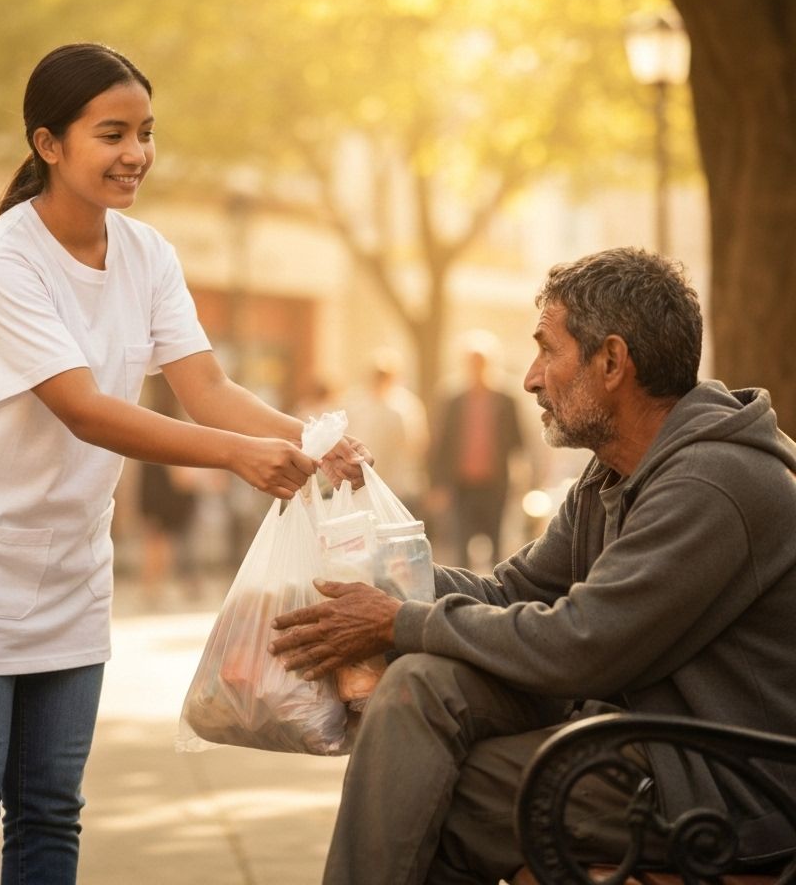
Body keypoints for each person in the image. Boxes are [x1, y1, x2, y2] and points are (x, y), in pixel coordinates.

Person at [0, 42, 369, 885]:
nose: (136, 153)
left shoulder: (146, 254)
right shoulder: (2, 261)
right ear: (48, 144)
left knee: (51, 808)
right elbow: (85, 409)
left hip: (71, 569)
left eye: (145, 132)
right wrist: (238, 457)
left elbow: (207, 387)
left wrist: (314, 441)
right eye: (112, 134)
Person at [269, 247, 796, 885]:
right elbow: (510, 591)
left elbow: (583, 643)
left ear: (611, 362)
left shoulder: (713, 481)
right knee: (422, 682)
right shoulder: (612, 474)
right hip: (645, 742)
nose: (531, 378)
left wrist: (396, 620)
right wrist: (367, 569)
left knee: (440, 792)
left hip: (727, 788)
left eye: (548, 351)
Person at [428, 335, 524, 568]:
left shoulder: (506, 399)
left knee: (497, 544)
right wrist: (437, 484)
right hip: (462, 484)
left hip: (495, 483)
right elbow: (441, 444)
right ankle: (463, 588)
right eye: (472, 363)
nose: (477, 368)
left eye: (481, 363)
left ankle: (499, 587)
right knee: (461, 546)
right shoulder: (453, 400)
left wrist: (524, 480)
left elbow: (518, 442)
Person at [343, 347, 430, 514]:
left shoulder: (405, 406)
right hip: (362, 481)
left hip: (397, 483)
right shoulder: (356, 404)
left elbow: (417, 444)